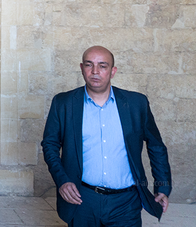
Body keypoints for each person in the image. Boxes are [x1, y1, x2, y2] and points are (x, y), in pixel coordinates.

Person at [41, 46, 172, 226]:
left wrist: (162, 186)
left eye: (102, 66)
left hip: (126, 203)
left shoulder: (136, 103)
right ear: (81, 68)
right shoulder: (64, 103)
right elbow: (50, 145)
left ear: (113, 71)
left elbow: (156, 146)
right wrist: (62, 180)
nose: (95, 71)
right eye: (89, 65)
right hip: (82, 200)